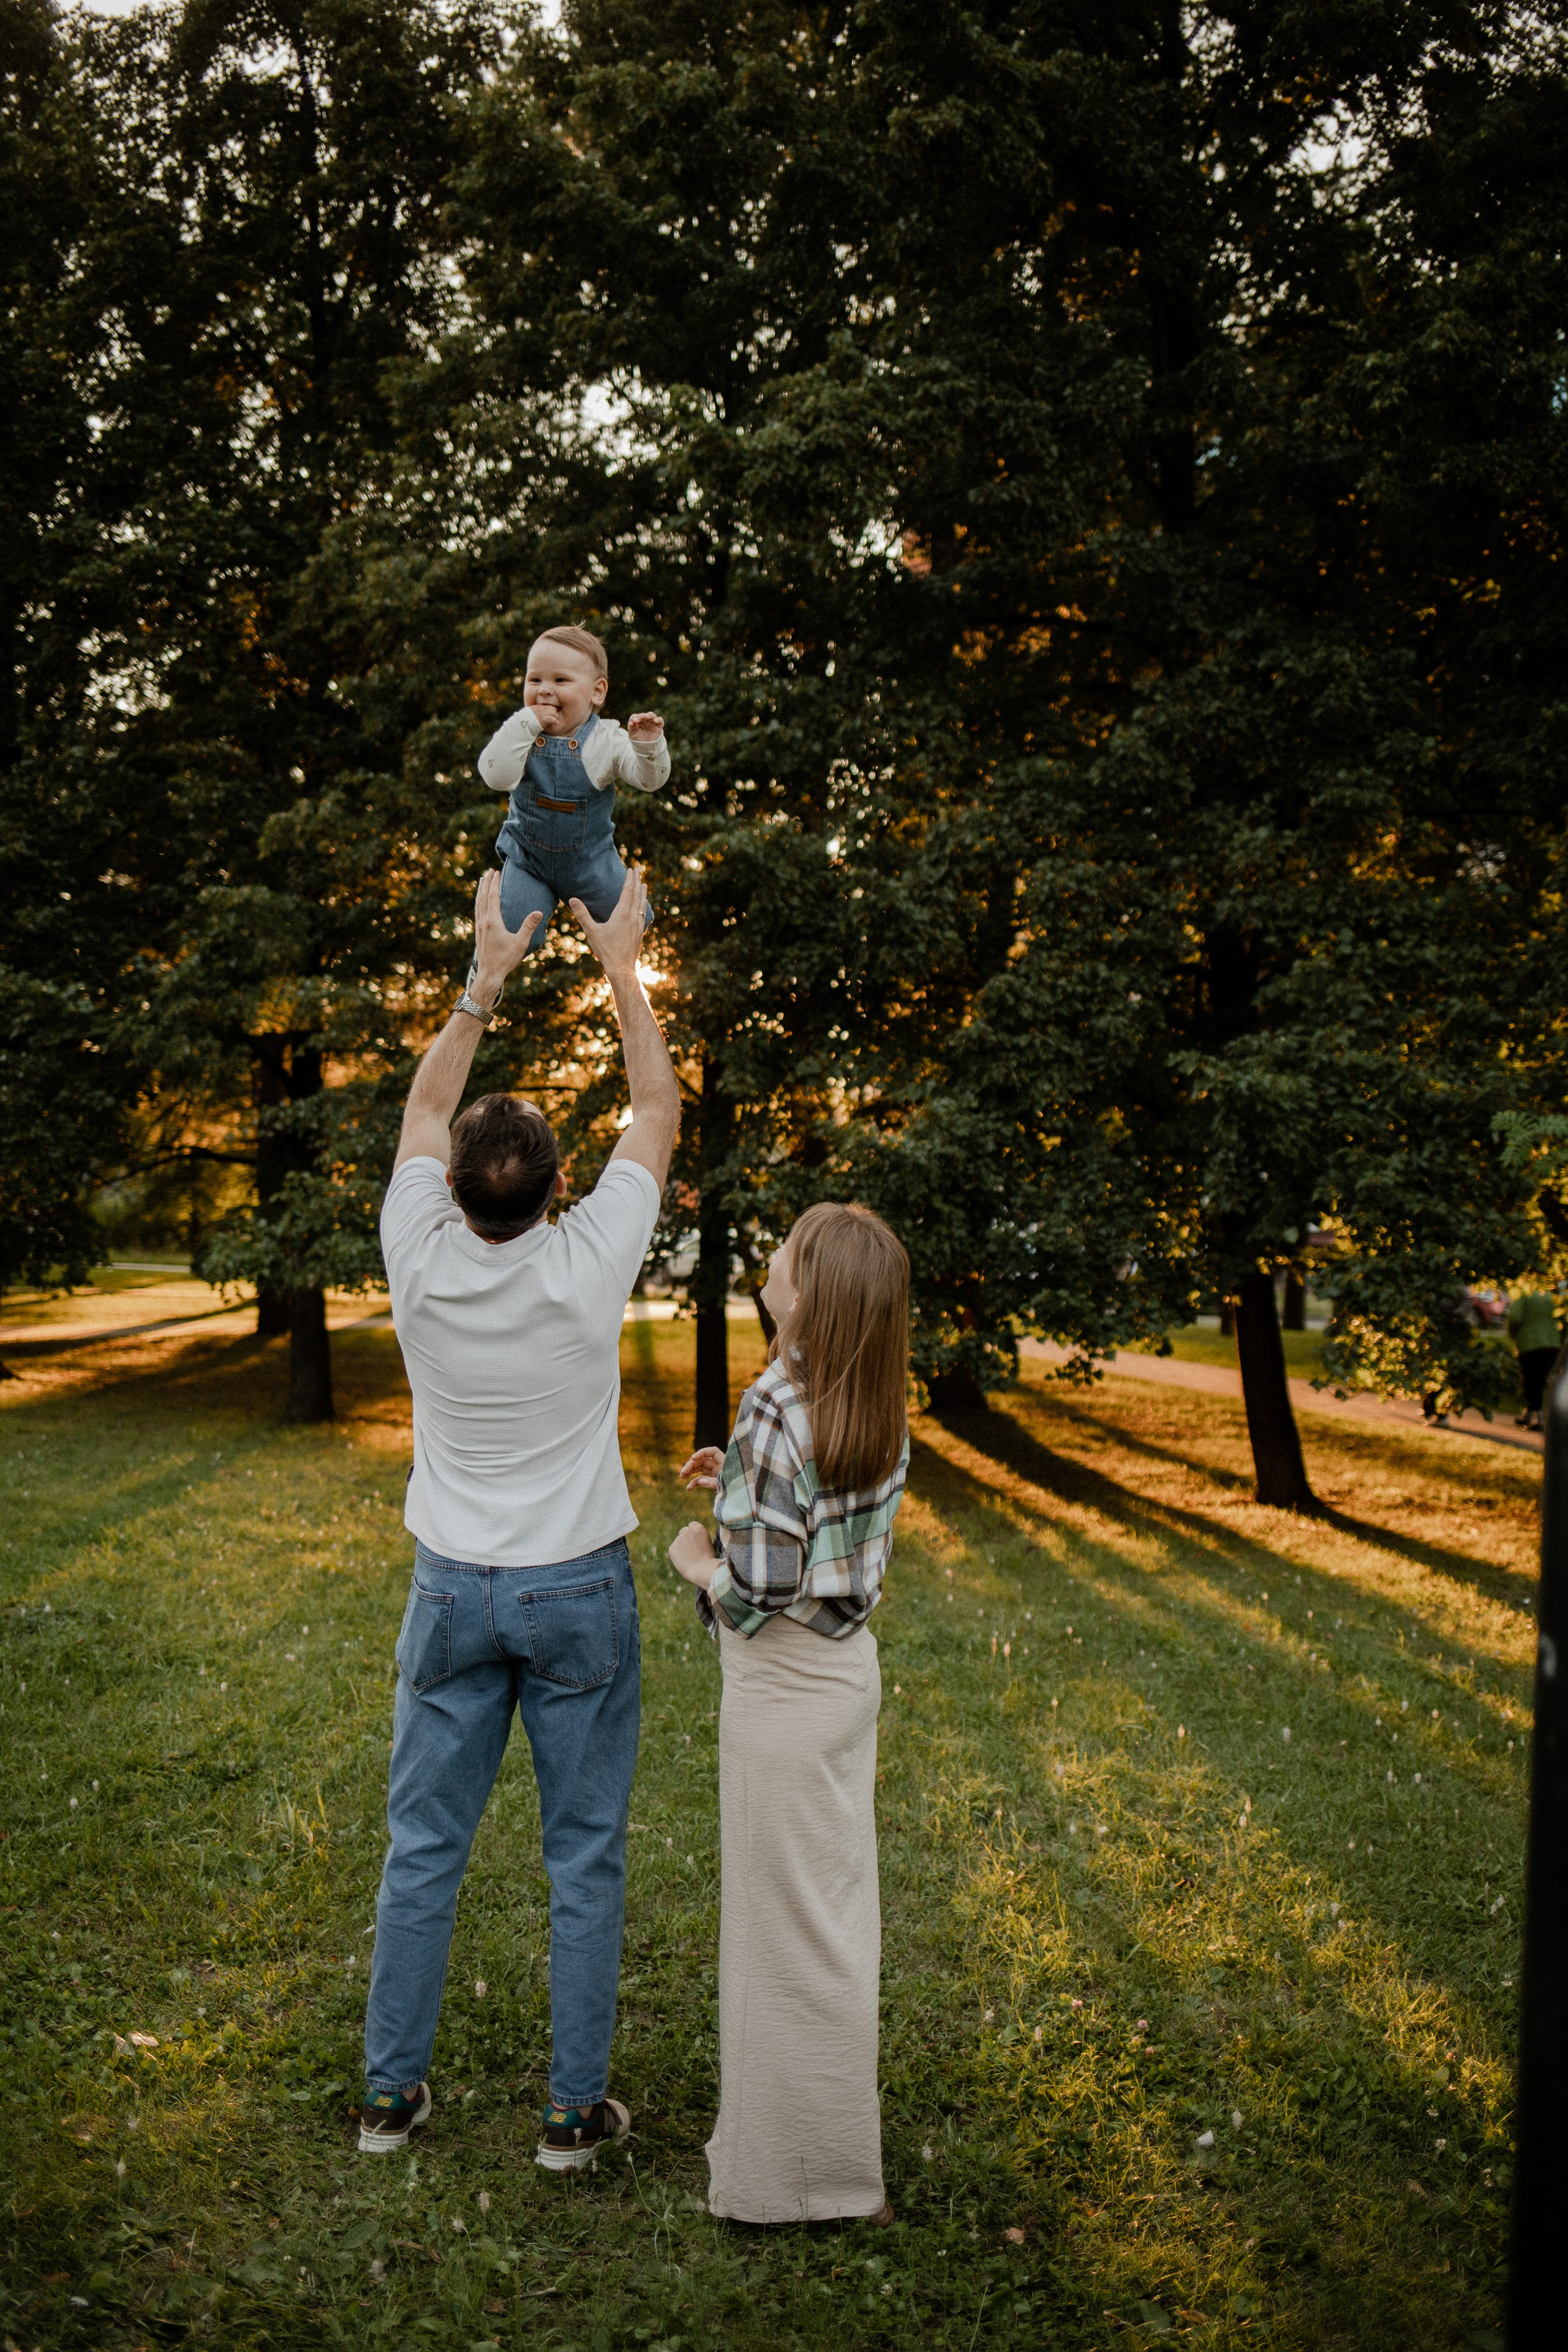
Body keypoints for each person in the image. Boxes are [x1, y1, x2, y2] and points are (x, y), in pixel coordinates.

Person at [358, 863, 679, 2170]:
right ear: (554, 1189)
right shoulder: (591, 1257)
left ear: (456, 1188)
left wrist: (484, 978)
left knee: (422, 1849)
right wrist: (621, 960)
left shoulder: (415, 1245)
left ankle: (389, 2102)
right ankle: (566, 2120)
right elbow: (655, 1105)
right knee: (583, 1858)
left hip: (452, 1589)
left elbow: (427, 1101)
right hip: (575, 1593)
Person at [669, 1203, 911, 2227]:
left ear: (806, 1294)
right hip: (843, 1681)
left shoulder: (773, 1400)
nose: (770, 1261)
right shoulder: (869, 1393)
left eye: (786, 1253)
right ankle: (830, 2163)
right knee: (832, 1920)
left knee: (778, 1936)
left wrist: (697, 1554)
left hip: (779, 1688)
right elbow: (830, 1522)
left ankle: (789, 2187)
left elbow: (759, 1587)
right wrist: (742, 1493)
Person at [474, 624, 669, 971]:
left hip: (590, 862)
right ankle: (483, 973)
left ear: (597, 692)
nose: (545, 691)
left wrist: (647, 746)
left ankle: (626, 981)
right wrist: (523, 725)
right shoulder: (520, 734)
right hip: (528, 860)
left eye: (560, 681)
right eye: (535, 681)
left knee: (631, 920)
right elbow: (495, 775)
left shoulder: (607, 740)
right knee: (512, 934)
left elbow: (648, 780)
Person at [1507, 1287, 1562, 1431]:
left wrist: (1512, 1334)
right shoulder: (1554, 1296)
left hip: (1530, 1342)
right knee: (1541, 1379)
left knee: (1531, 1380)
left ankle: (1539, 1418)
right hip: (1552, 1343)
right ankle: (1528, 1414)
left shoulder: (1524, 1292)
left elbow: (1515, 1317)